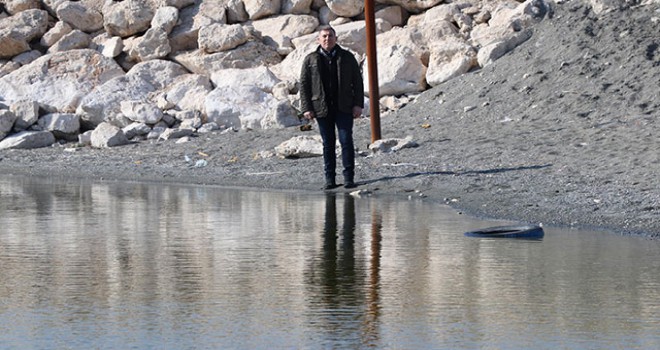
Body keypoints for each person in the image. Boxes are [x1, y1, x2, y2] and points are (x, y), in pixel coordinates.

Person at [299, 25, 364, 190]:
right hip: (321, 108)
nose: (327, 39)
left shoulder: (347, 57)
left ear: (336, 38)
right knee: (327, 144)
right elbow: (304, 85)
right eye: (324, 36)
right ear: (318, 40)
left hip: (344, 107)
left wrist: (358, 105)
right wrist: (306, 108)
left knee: (346, 141)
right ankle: (330, 179)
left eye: (330, 36)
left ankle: (349, 178)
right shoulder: (310, 59)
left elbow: (357, 82)